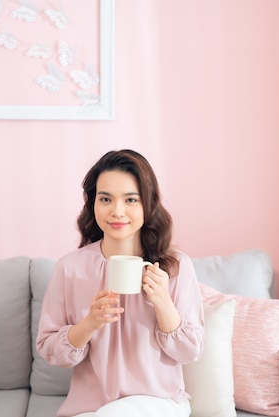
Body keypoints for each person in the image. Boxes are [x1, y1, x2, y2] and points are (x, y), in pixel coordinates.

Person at [36, 149, 205, 417]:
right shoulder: (70, 268)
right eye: (105, 199)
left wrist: (162, 301)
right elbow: (51, 351)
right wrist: (89, 323)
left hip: (158, 404)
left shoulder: (176, 267)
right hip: (90, 409)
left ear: (147, 204)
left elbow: (189, 351)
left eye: (130, 199)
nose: (117, 211)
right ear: (93, 203)